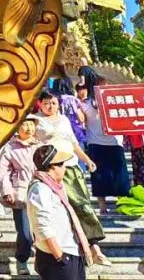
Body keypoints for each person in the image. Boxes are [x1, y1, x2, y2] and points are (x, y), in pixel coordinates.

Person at [34, 90, 109, 265]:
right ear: (40, 104)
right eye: (46, 103)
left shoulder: (64, 120)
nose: (50, 106)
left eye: (53, 103)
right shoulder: (35, 120)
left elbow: (73, 143)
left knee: (83, 205)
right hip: (49, 170)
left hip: (71, 167)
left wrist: (87, 159)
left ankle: (94, 247)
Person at [27, 143, 93, 279]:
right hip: (57, 256)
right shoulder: (40, 189)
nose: (65, 168)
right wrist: (59, 255)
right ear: (52, 167)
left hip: (71, 252)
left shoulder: (55, 187)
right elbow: (42, 225)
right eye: (62, 164)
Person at [79, 79, 129, 213]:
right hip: (96, 143)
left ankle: (122, 203)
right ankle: (102, 206)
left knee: (119, 176)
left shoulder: (116, 103)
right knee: (99, 176)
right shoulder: (86, 104)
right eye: (100, 87)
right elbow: (81, 119)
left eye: (106, 87)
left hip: (115, 142)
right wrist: (78, 104)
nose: (103, 90)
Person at [0, 117, 38, 275]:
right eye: (25, 124)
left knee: (40, 231)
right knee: (25, 233)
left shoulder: (40, 145)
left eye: (31, 124)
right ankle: (22, 260)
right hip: (20, 194)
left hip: (40, 193)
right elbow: (2, 172)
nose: (29, 128)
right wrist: (7, 191)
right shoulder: (10, 148)